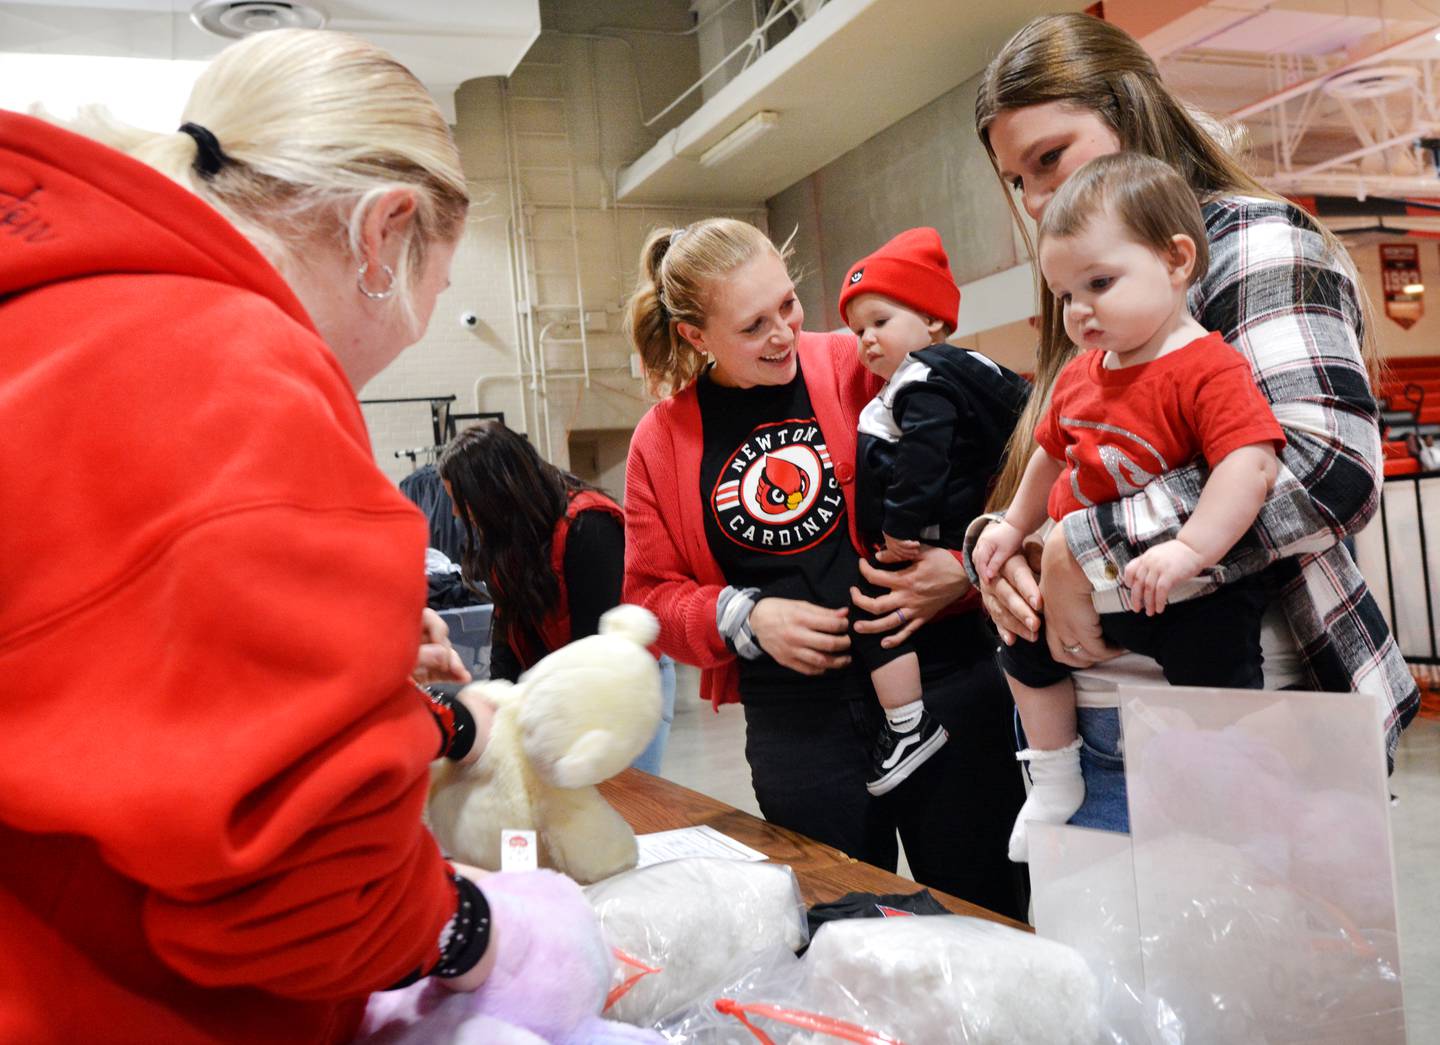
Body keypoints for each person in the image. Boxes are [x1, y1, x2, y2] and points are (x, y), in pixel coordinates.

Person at [1, 29, 602, 1044]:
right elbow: (292, 884)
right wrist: (469, 931)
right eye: (433, 289)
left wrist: (389, 708)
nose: (413, 327)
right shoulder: (229, 371)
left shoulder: (65, 327)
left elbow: (129, 711)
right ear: (385, 233)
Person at [966, 12, 1419, 837]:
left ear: (1131, 113)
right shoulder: (1086, 291)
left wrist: (1081, 546)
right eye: (1016, 179)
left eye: (1051, 158)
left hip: (1261, 712)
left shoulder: (1251, 244)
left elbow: (1325, 471)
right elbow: (1054, 457)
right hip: (1099, 716)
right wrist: (1003, 548)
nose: (1036, 198)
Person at [623, 218, 1027, 921]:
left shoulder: (858, 359)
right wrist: (743, 617)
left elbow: (1011, 453)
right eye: (752, 326)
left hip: (944, 684)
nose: (782, 332)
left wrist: (964, 564)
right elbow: (647, 597)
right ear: (696, 336)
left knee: (988, 913)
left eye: (788, 304)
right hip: (801, 725)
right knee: (841, 930)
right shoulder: (662, 438)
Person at [974, 153, 1286, 860]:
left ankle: (1231, 796)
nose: (1078, 311)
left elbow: (1250, 461)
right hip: (1085, 591)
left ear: (1177, 260)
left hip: (1180, 591)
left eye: (1099, 284)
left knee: (1220, 674)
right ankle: (1053, 776)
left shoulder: (1207, 363)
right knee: (1020, 653)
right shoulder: (1084, 371)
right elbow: (1047, 454)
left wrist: (1190, 548)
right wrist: (1013, 523)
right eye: (1063, 295)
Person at [838, 227, 1029, 795]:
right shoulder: (943, 376)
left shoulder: (922, 380)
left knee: (874, 615)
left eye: (880, 321)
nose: (866, 340)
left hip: (923, 533)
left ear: (934, 323)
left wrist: (901, 528)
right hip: (938, 530)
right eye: (857, 331)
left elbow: (924, 458)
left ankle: (907, 724)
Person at [437, 421, 675, 773]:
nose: (456, 512)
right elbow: (506, 629)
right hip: (564, 684)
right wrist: (498, 705)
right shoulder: (506, 537)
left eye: (461, 500)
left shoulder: (589, 527)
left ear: (494, 490)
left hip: (623, 687)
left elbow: (593, 651)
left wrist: (541, 711)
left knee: (623, 804)